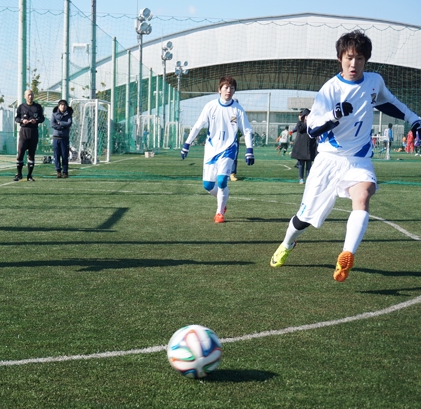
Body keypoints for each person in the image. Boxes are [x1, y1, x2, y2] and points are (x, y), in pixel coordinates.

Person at [270, 30, 421, 282]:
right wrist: (335, 114)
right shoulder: (330, 90)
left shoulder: (374, 81)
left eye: (360, 58)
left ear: (366, 60)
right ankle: (287, 244)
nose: (354, 64)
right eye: (349, 57)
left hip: (358, 159)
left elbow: (387, 102)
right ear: (340, 58)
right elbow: (312, 128)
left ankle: (346, 256)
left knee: (363, 195)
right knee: (303, 219)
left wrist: (414, 119)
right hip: (328, 160)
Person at [180, 75, 254, 223]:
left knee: (221, 181)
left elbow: (247, 130)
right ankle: (223, 200)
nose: (229, 90)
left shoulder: (238, 110)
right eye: (226, 87)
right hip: (211, 150)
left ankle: (219, 213)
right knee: (207, 185)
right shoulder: (210, 106)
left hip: (229, 149)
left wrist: (249, 150)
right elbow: (198, 125)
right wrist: (187, 144)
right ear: (219, 89)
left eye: (232, 88)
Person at [14, 89, 44, 181]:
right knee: (20, 154)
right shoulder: (21, 107)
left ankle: (29, 176)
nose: (30, 97)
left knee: (31, 155)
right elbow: (17, 118)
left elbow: (42, 118)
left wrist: (37, 120)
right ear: (25, 96)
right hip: (24, 132)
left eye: (31, 95)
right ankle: (19, 174)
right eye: (28, 95)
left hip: (33, 132)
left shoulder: (38, 107)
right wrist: (22, 121)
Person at [290, 108, 317, 184]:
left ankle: (309, 178)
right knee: (301, 164)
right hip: (301, 146)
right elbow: (300, 129)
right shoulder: (300, 123)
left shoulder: (313, 124)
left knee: (309, 165)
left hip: (309, 146)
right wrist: (306, 123)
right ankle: (301, 178)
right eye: (307, 116)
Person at [50, 99, 73, 178]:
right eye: (61, 105)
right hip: (56, 138)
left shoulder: (68, 114)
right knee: (56, 155)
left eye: (64, 105)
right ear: (58, 106)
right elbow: (52, 124)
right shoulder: (54, 114)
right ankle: (58, 171)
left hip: (64, 138)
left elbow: (69, 123)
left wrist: (60, 123)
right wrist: (62, 127)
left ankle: (65, 171)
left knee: (64, 155)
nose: (63, 106)